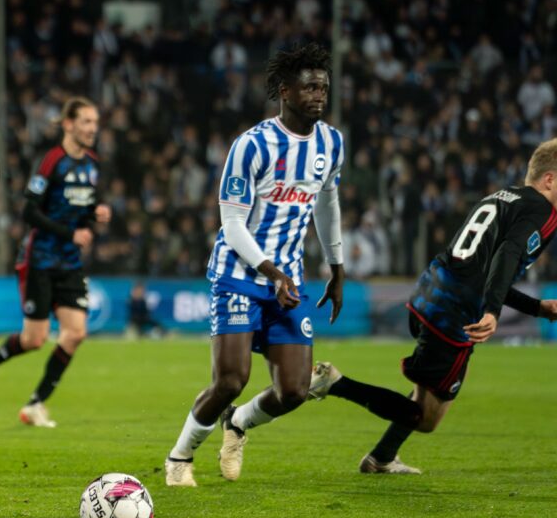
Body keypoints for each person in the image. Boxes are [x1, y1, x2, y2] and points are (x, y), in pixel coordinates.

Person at [307, 139, 557, 474]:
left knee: (423, 392)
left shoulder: (502, 197)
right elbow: (507, 256)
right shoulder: (544, 211)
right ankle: (334, 383)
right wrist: (493, 311)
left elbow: (483, 269)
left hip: (430, 290)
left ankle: (381, 457)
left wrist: (537, 308)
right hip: (454, 312)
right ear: (549, 179)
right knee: (426, 418)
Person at [163, 43, 345, 487]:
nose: (319, 95)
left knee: (296, 391)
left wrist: (337, 268)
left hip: (290, 281)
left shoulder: (331, 142)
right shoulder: (253, 145)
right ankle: (180, 458)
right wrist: (272, 272)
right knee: (230, 379)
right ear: (285, 92)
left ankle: (238, 423)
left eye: (324, 87)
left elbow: (327, 202)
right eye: (309, 88)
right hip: (240, 276)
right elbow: (231, 223)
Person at [0, 97, 110, 427]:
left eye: (95, 123)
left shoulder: (92, 164)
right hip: (40, 259)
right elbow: (29, 211)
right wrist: (70, 232)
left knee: (75, 333)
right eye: (86, 122)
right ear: (69, 124)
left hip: (69, 262)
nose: (92, 129)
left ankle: (35, 404)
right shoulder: (52, 161)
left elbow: (87, 205)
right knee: (34, 340)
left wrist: (96, 214)